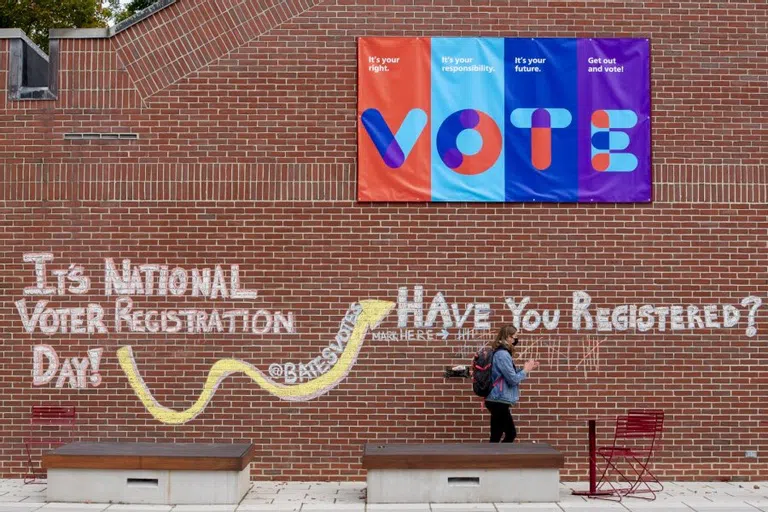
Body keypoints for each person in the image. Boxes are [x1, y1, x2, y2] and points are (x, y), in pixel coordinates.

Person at [485, 325, 539, 443]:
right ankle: (499, 459)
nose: (516, 340)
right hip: (498, 400)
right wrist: (526, 370)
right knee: (510, 433)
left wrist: (526, 368)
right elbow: (513, 379)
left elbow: (506, 375)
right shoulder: (503, 354)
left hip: (496, 399)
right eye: (515, 337)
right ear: (508, 337)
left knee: (496, 435)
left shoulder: (501, 353)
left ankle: (492, 459)